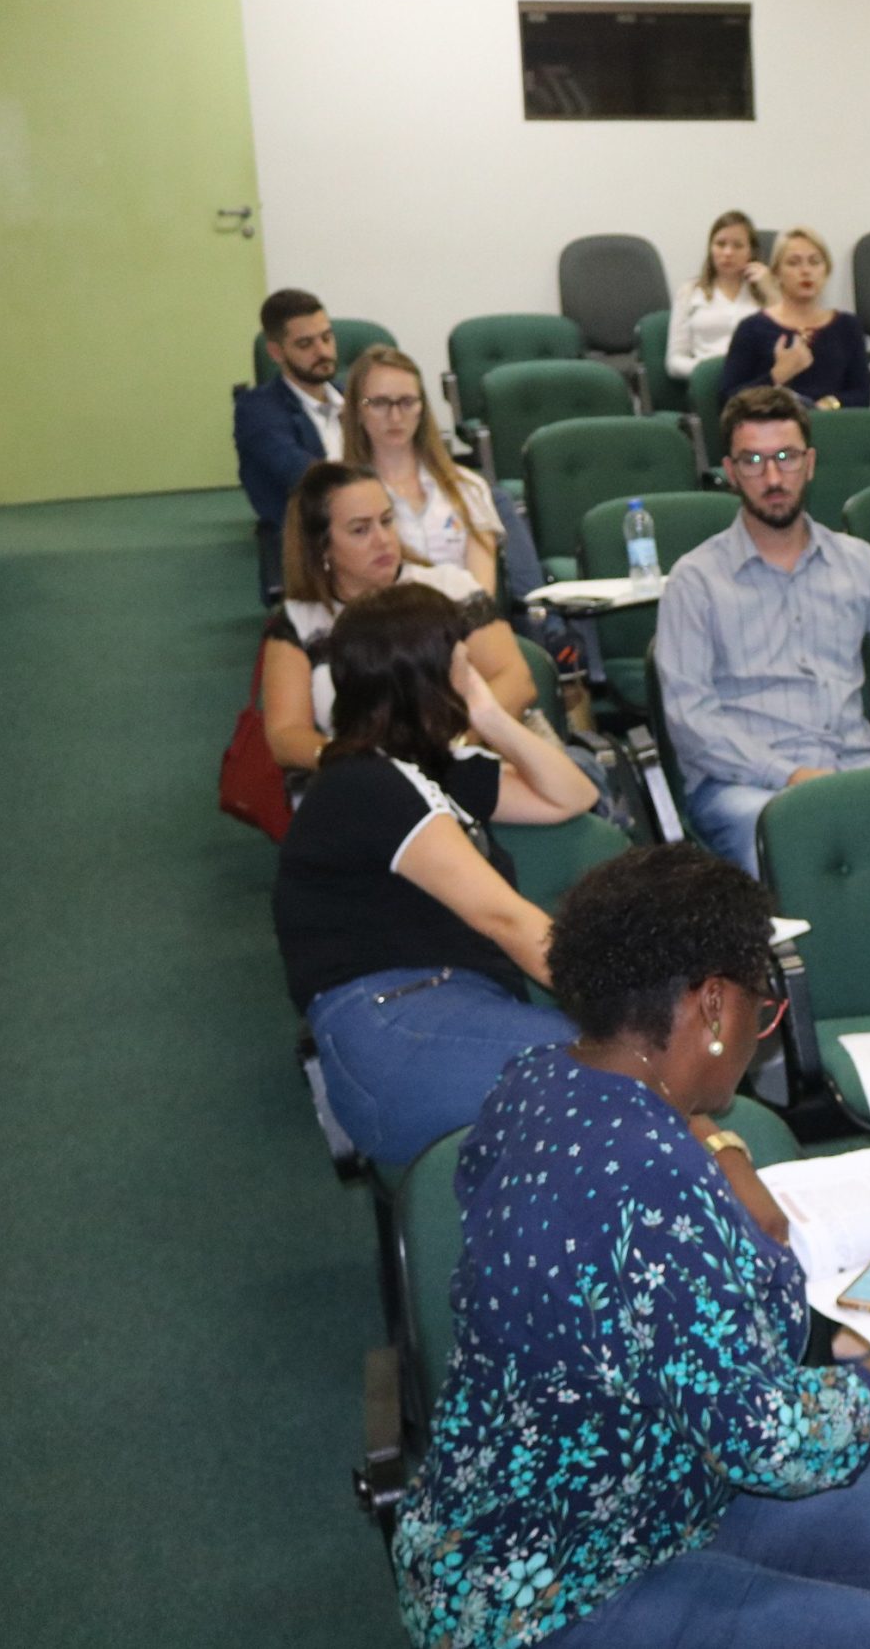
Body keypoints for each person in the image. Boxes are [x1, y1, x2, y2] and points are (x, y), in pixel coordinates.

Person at [391, 843, 870, 1649]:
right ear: (713, 1006)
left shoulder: (542, 1078)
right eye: (762, 1011)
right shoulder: (650, 1186)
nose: (760, 1036)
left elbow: (681, 1332)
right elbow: (767, 1442)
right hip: (546, 1584)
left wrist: (721, 1144)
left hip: (656, 1480)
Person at [272, 583, 602, 1167]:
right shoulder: (365, 786)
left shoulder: (433, 771)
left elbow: (572, 794)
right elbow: (503, 919)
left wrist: (488, 716)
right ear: (429, 673)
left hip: (461, 1008)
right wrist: (619, 999)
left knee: (626, 1074)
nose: (473, 660)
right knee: (621, 1071)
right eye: (461, 652)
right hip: (391, 1025)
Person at [658, 386, 870, 876]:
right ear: (731, 471)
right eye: (754, 461)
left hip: (855, 765)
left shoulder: (859, 562)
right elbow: (691, 720)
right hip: (745, 787)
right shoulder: (695, 581)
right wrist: (792, 776)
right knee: (799, 841)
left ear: (810, 462)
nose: (773, 476)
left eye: (786, 457)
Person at [262, 463, 537, 773]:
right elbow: (285, 735)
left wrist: (456, 746)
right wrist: (361, 762)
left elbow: (517, 680)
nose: (383, 540)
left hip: (468, 763)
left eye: (387, 521)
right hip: (360, 783)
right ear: (322, 546)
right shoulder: (300, 620)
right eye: (360, 529)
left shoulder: (451, 589)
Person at [342, 345, 504, 595]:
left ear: (422, 409)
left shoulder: (468, 487)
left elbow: (482, 594)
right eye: (379, 403)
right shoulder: (343, 498)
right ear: (358, 411)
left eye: (407, 402)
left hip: (464, 627)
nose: (395, 417)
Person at [234, 288, 346, 603]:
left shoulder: (354, 395)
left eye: (327, 338)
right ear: (276, 352)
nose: (322, 351)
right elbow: (300, 473)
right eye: (305, 344)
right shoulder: (258, 410)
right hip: (313, 537)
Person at [721, 227, 870, 410]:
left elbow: (862, 394)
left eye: (814, 262)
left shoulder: (848, 326)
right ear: (776, 273)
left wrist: (828, 404)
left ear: (826, 271)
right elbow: (728, 400)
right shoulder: (752, 328)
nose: (806, 271)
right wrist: (777, 375)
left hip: (833, 427)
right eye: (794, 263)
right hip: (772, 429)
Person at [665, 209, 769, 380]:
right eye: (720, 244)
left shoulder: (765, 292)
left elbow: (790, 342)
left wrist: (772, 290)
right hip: (708, 382)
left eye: (738, 245)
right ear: (710, 248)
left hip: (756, 382)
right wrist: (708, 371)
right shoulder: (690, 291)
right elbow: (674, 362)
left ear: (751, 251)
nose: (728, 253)